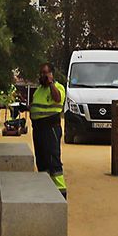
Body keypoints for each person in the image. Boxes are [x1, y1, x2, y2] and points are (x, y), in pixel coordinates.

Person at [30, 62, 67, 197]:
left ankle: (61, 193)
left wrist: (51, 83)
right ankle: (45, 190)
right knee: (41, 161)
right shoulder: (39, 90)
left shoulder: (58, 87)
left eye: (45, 73)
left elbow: (57, 99)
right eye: (41, 73)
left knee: (53, 160)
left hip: (51, 129)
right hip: (38, 130)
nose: (42, 76)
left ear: (51, 74)